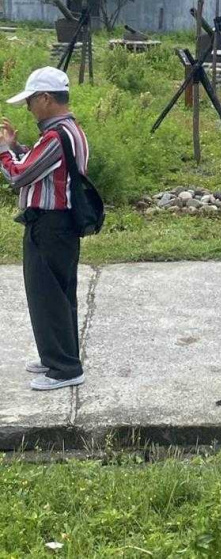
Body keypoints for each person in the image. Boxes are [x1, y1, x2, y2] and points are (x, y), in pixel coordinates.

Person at [0, 67, 89, 391]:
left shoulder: (56, 135)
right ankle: (57, 357)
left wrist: (3, 151)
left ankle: (65, 369)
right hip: (58, 226)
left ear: (45, 98)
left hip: (50, 225)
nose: (27, 107)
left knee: (47, 296)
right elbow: (41, 167)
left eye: (30, 100)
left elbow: (19, 176)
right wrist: (17, 148)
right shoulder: (68, 130)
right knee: (58, 295)